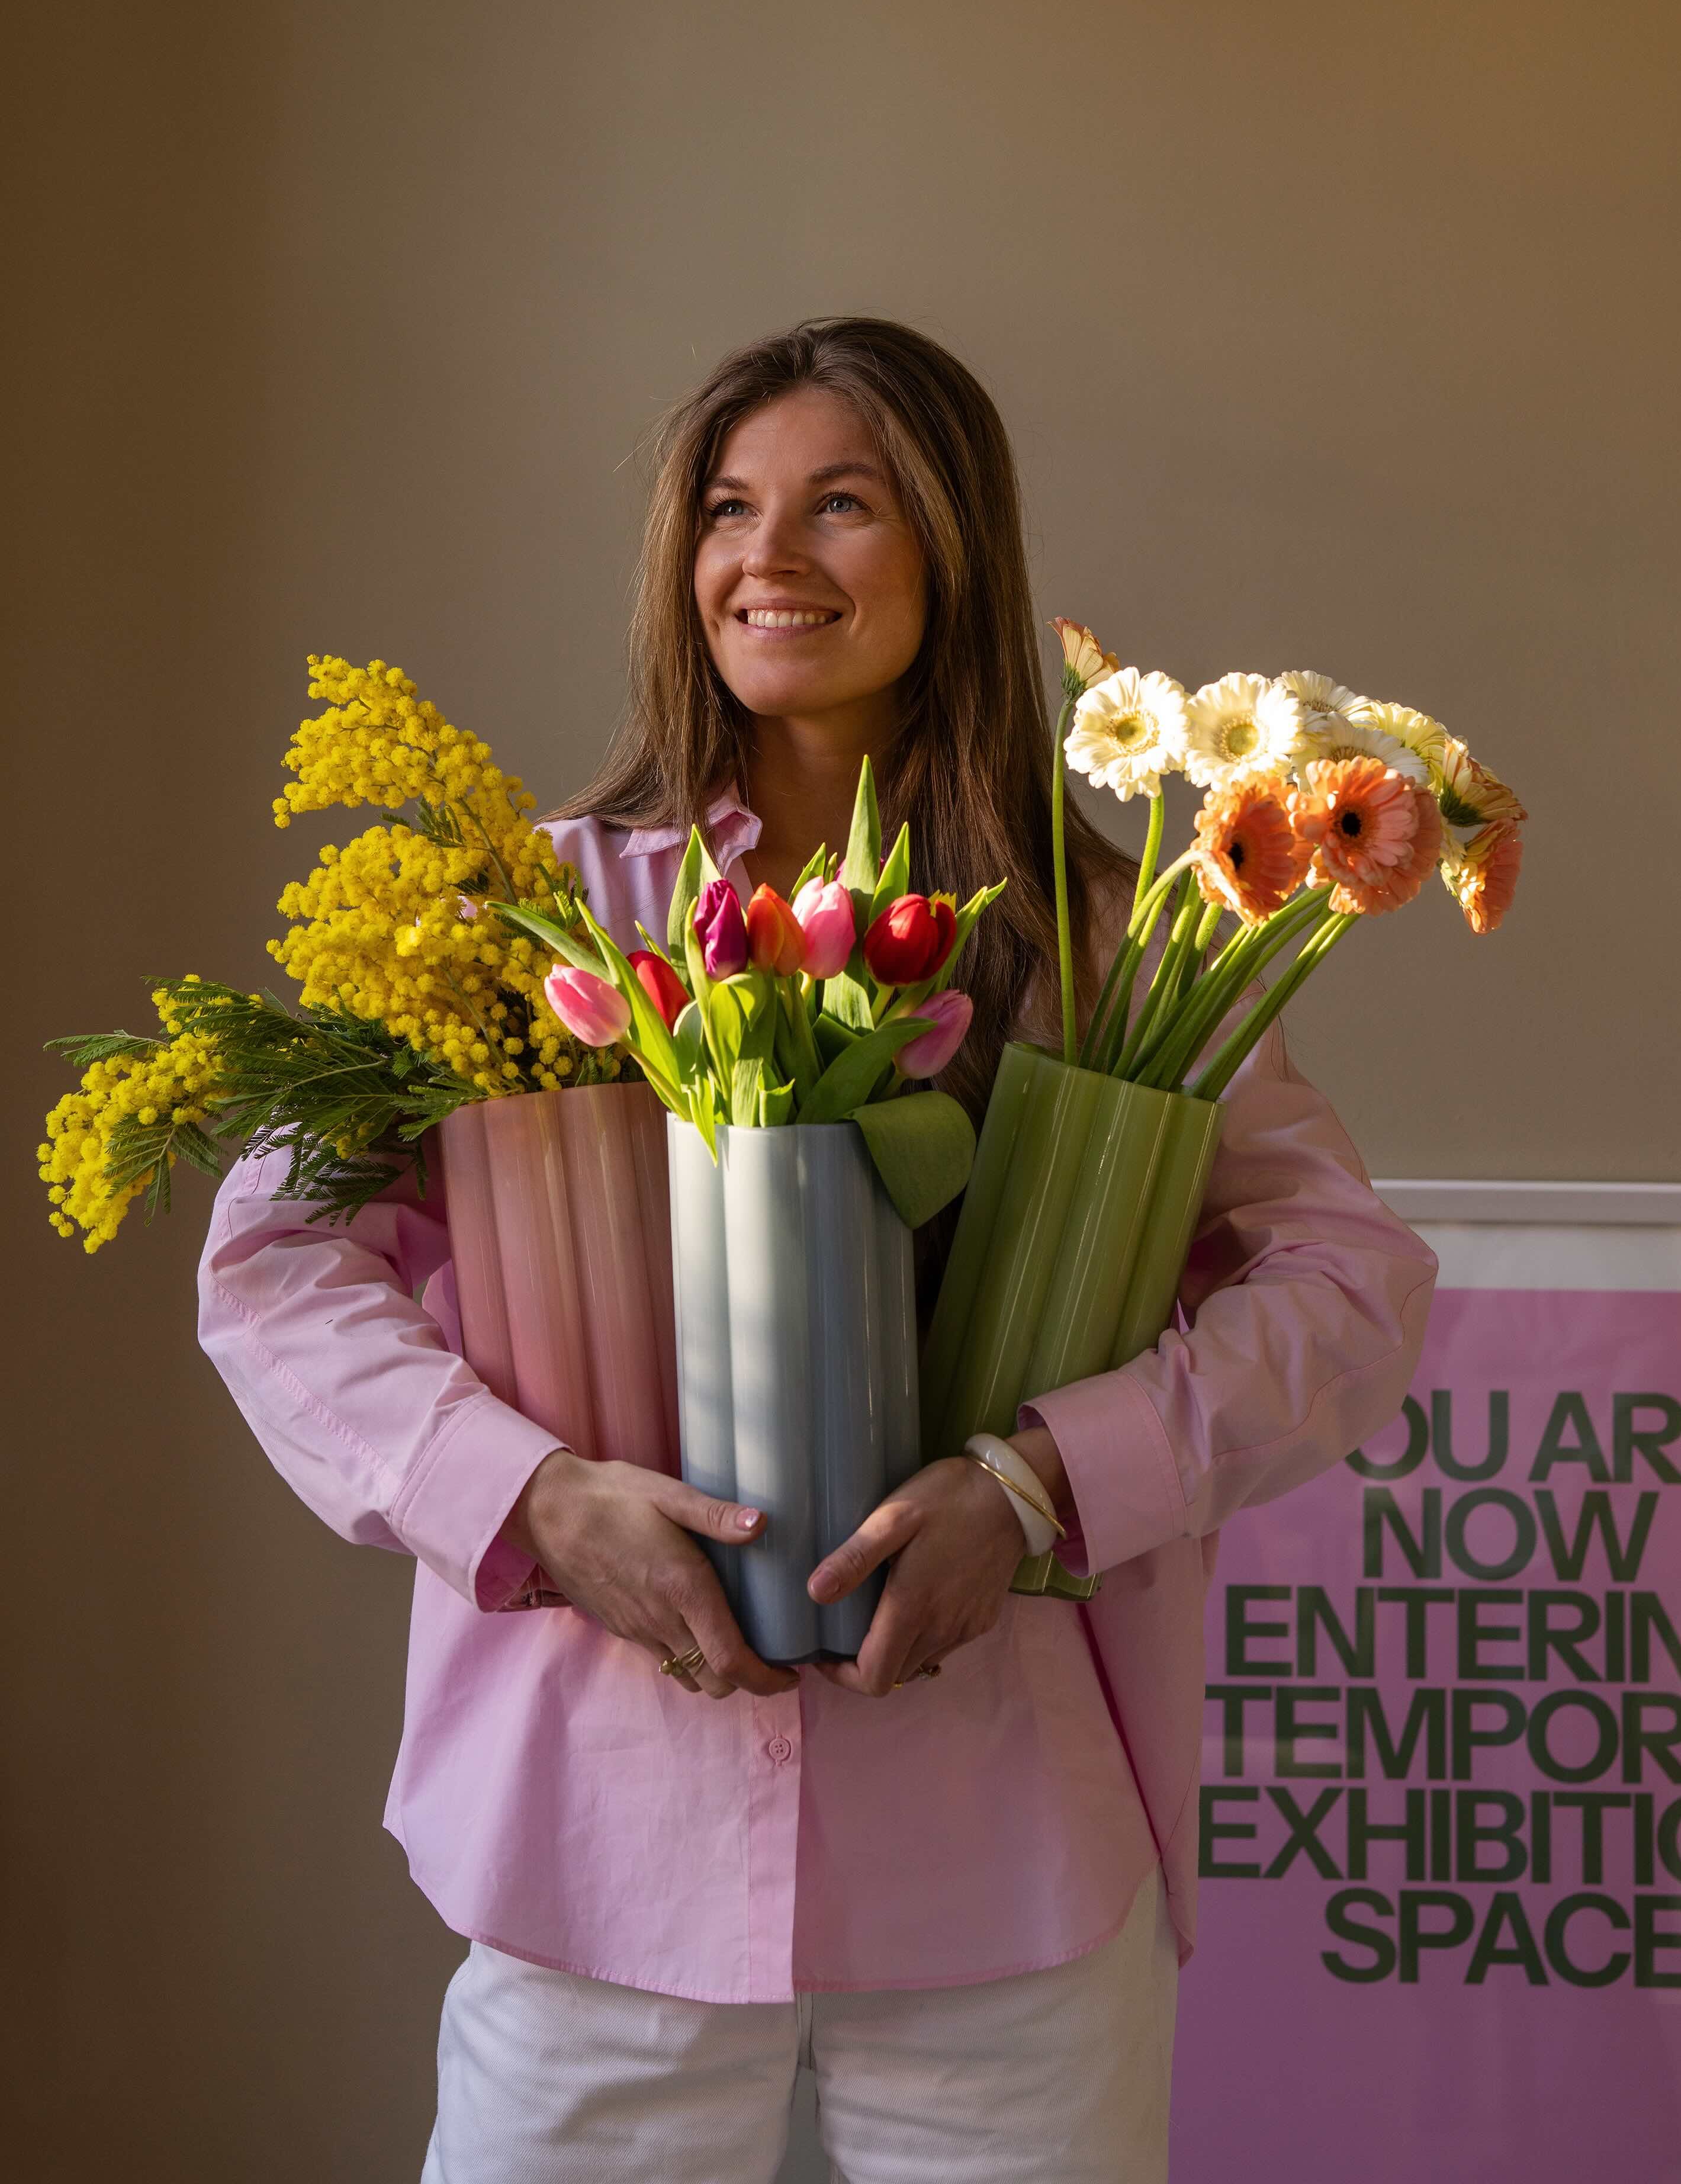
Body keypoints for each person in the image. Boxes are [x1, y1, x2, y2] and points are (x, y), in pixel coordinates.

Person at [200, 318, 1436, 2184]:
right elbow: (271, 1263)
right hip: (598, 1863)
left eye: (840, 505)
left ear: (952, 554)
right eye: (727, 508)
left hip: (1004, 1876)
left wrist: (1037, 1488)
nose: (765, 558)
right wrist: (532, 1501)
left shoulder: (1111, 943)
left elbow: (1349, 1291)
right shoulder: (532, 915)